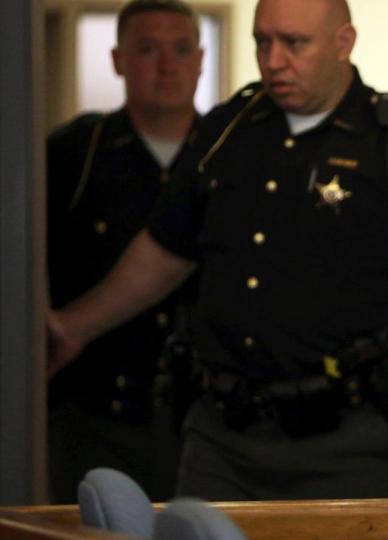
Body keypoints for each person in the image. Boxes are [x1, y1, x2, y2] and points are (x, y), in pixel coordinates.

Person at [48, 0, 388, 501]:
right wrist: (72, 328)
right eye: (262, 42)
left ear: (343, 43)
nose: (273, 59)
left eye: (294, 43)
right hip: (221, 439)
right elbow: (166, 252)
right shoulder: (226, 130)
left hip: (350, 443)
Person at [46, 0, 203, 503]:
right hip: (95, 413)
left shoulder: (227, 154)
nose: (167, 66)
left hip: (203, 423)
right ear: (117, 60)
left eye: (181, 50)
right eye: (147, 50)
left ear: (200, 59)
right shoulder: (75, 154)